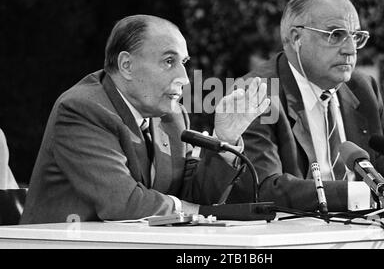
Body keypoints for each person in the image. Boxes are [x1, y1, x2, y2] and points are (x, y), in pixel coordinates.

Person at [20, 15, 269, 224]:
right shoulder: (81, 109)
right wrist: (195, 212)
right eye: (169, 61)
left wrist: (224, 138)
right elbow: (123, 203)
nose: (184, 78)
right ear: (127, 65)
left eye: (183, 63)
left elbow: (196, 197)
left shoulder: (173, 117)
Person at [225, 0, 384, 212]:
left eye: (355, 36)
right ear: (297, 38)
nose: (350, 49)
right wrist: (363, 194)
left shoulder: (362, 87)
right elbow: (265, 189)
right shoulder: (258, 91)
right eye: (335, 35)